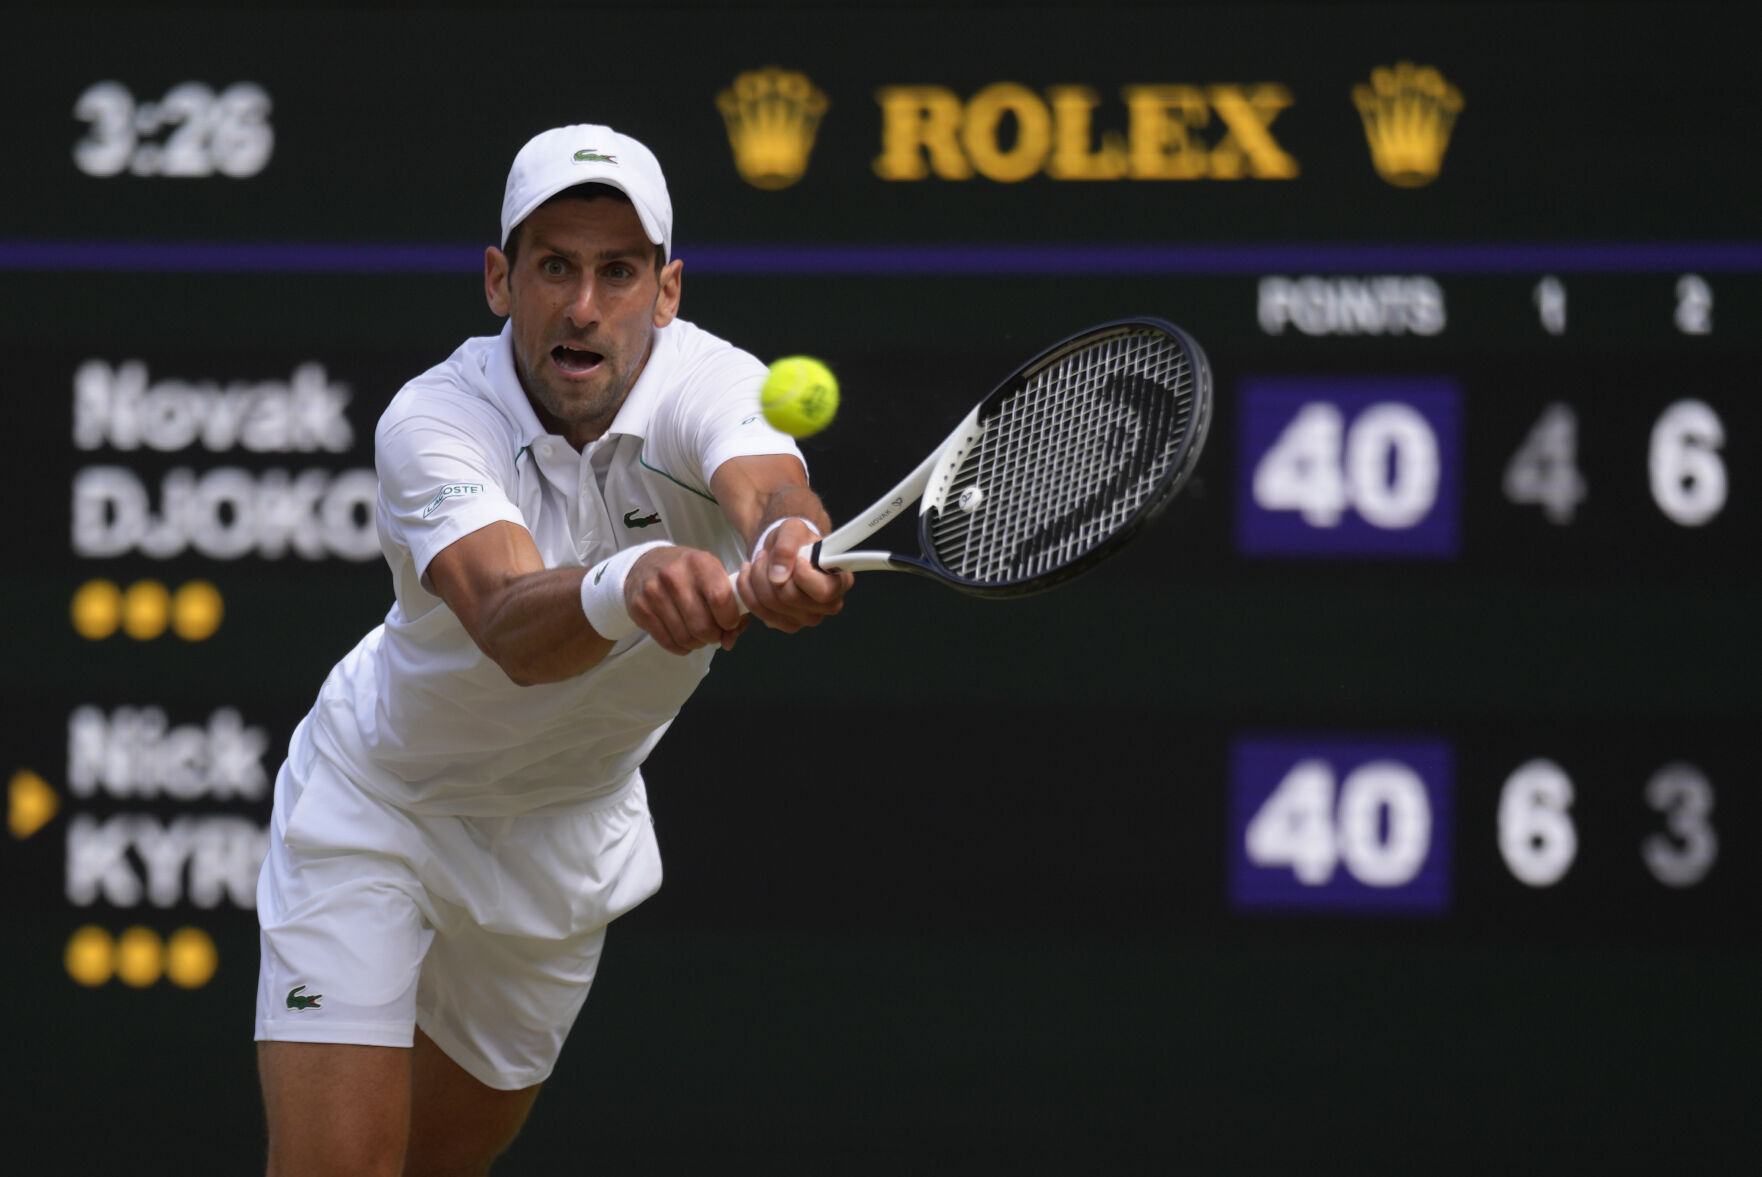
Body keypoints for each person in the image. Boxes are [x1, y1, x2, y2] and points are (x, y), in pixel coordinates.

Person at [252, 123, 852, 1176]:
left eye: (618, 273)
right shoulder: (434, 417)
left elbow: (773, 488)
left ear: (665, 293)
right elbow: (509, 626)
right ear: (500, 280)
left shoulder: (717, 384)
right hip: (379, 806)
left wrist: (785, 544)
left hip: (561, 849)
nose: (583, 307)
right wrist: (628, 581)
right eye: (555, 268)